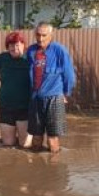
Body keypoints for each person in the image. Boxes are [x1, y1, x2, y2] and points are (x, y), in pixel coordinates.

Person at [26, 22, 75, 153]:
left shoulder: (59, 50)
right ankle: (35, 167)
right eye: (38, 35)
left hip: (54, 98)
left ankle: (54, 168)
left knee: (52, 140)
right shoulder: (31, 51)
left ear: (51, 35)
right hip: (35, 99)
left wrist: (66, 93)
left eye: (44, 35)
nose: (40, 38)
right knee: (35, 138)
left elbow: (69, 75)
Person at [0, 31, 31, 147]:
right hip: (6, 106)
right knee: (8, 144)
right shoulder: (3, 58)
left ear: (23, 45)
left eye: (17, 44)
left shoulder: (30, 58)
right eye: (11, 45)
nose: (14, 47)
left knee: (25, 145)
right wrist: (2, 78)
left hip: (25, 107)